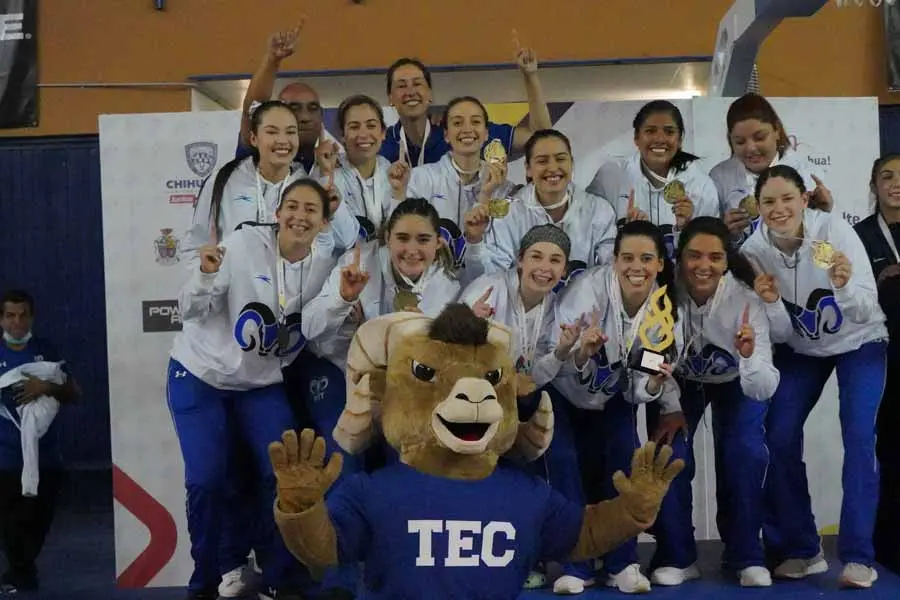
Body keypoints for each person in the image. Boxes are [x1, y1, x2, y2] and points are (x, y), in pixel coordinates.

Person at [167, 180, 368, 600]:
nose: (300, 216)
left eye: (311, 209)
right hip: (201, 374)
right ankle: (203, 580)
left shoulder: (326, 263)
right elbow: (188, 308)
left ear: (324, 221)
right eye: (291, 206)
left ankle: (281, 577)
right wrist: (204, 275)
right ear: (276, 213)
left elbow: (312, 329)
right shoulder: (242, 244)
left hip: (259, 384)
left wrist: (342, 300)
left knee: (284, 474)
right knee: (207, 479)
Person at [741, 165, 887, 589]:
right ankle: (804, 549)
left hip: (861, 341)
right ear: (759, 207)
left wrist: (841, 285)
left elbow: (863, 307)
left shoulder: (832, 234)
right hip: (805, 350)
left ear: (805, 199)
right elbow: (784, 332)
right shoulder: (754, 252)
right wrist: (770, 304)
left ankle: (859, 557)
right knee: (779, 435)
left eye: (788, 198)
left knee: (859, 437)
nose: (779, 208)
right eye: (769, 201)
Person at [643, 217, 778, 588]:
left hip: (737, 383)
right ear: (679, 257)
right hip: (679, 382)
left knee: (745, 452)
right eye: (694, 256)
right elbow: (646, 357)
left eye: (715, 257)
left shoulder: (746, 301)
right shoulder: (661, 296)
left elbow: (763, 386)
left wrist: (748, 357)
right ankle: (677, 555)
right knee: (669, 452)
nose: (704, 266)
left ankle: (746, 554)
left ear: (726, 261)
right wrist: (669, 404)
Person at [549, 220, 682, 594]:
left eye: (645, 259)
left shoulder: (663, 314)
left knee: (626, 460)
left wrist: (654, 383)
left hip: (613, 396)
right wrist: (581, 353)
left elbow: (641, 385)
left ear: (659, 264)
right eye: (626, 258)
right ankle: (575, 563)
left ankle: (622, 563)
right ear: (613, 260)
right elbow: (557, 358)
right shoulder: (585, 290)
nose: (635, 267)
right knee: (564, 464)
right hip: (565, 392)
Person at [186, 99, 358, 261]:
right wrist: (206, 279)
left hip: (293, 290)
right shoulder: (224, 180)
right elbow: (195, 245)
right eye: (272, 132)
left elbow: (346, 240)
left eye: (290, 132)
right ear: (254, 138)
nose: (282, 140)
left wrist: (327, 180)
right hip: (236, 290)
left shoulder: (308, 185)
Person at [464, 129, 617, 289]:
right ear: (528, 168)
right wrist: (475, 243)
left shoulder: (599, 211)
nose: (552, 167)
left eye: (560, 159)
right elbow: (488, 280)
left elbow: (611, 275)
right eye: (542, 161)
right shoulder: (510, 213)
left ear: (571, 164)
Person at [0, 290, 79, 594]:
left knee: (37, 522)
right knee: (11, 526)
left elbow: (75, 394)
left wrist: (44, 385)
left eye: (22, 315)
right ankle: (21, 573)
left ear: (31, 317)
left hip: (46, 458)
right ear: (1, 318)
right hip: (5, 459)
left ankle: (21, 569)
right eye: (10, 315)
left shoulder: (47, 350)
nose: (17, 321)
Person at [379, 32, 551, 166]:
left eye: (417, 84)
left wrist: (530, 76)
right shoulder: (380, 145)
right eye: (401, 86)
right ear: (390, 98)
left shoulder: (460, 133)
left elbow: (543, 139)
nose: (410, 92)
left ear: (430, 94)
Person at [586, 100, 720, 261]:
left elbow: (711, 251)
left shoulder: (701, 185)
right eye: (650, 131)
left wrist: (685, 229)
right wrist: (627, 236)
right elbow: (591, 240)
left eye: (669, 132)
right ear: (636, 138)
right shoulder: (611, 176)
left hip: (681, 282)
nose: (660, 139)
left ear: (680, 140)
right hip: (627, 279)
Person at [854, 153, 900, 574]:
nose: (896, 184)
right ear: (874, 186)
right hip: (880, 351)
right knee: (888, 446)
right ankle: (888, 543)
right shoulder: (861, 234)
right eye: (887, 177)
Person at [708, 93, 833, 244]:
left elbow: (820, 242)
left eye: (759, 138)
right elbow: (709, 242)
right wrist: (725, 233)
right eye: (740, 142)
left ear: (777, 131)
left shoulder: (806, 173)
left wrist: (824, 214)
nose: (751, 148)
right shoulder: (719, 177)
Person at [238, 19, 344, 174]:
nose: (304, 117)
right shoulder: (259, 154)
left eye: (313, 108)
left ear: (322, 118)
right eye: (294, 108)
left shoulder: (334, 167)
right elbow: (254, 107)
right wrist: (272, 61)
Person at [317, 94, 396, 235]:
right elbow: (339, 238)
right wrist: (326, 175)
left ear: (383, 132)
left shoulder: (393, 174)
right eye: (354, 127)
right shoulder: (327, 174)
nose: (363, 134)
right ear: (342, 135)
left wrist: (399, 194)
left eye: (371, 125)